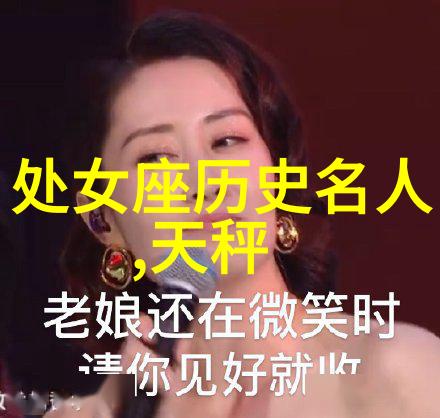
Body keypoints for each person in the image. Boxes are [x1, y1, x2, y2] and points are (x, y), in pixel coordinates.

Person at [45, 10, 440, 418]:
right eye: (156, 158)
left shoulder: (396, 373)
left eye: (227, 140)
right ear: (104, 219)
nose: (204, 183)